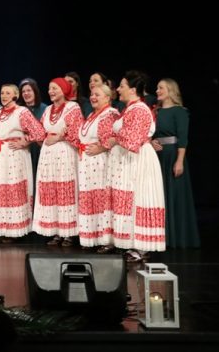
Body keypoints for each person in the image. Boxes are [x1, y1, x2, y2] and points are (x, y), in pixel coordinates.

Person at [107, 71, 166, 261]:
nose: (118, 89)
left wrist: (115, 138)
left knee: (139, 197)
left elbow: (132, 140)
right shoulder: (130, 109)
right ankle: (130, 243)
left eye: (122, 86)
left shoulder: (139, 109)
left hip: (138, 159)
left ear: (133, 90)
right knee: (130, 199)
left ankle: (141, 247)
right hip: (129, 160)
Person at [0, 84, 46, 242]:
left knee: (13, 190)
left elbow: (39, 132)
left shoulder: (22, 112)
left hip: (14, 155)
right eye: (2, 93)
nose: (4, 96)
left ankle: (14, 230)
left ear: (15, 95)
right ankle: (0, 228)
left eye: (8, 93)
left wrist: (26, 141)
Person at [32, 78, 83, 247]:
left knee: (64, 189)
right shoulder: (48, 110)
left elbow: (76, 132)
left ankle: (68, 233)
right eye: (49, 88)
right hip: (48, 155)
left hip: (65, 152)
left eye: (55, 88)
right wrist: (45, 139)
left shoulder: (72, 107)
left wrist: (59, 137)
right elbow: (40, 130)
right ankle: (54, 230)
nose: (51, 91)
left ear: (64, 89)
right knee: (51, 190)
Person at [151, 78, 200, 248]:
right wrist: (151, 142)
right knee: (160, 196)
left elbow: (183, 138)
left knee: (174, 195)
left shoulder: (179, 111)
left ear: (171, 90)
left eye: (161, 88)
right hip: (157, 157)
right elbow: (149, 134)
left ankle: (177, 238)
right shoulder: (155, 112)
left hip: (172, 156)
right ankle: (161, 236)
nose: (157, 91)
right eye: (157, 88)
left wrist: (179, 161)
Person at [75, 84, 119, 252]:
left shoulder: (110, 114)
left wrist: (101, 148)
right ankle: (92, 237)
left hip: (101, 162)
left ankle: (105, 239)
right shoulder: (92, 115)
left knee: (101, 199)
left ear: (107, 97)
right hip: (87, 162)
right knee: (90, 199)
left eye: (97, 95)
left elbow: (115, 137)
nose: (93, 97)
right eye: (92, 94)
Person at [18, 78, 46, 186]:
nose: (26, 93)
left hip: (40, 149)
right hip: (24, 149)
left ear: (35, 91)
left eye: (29, 90)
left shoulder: (45, 108)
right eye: (23, 91)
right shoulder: (18, 109)